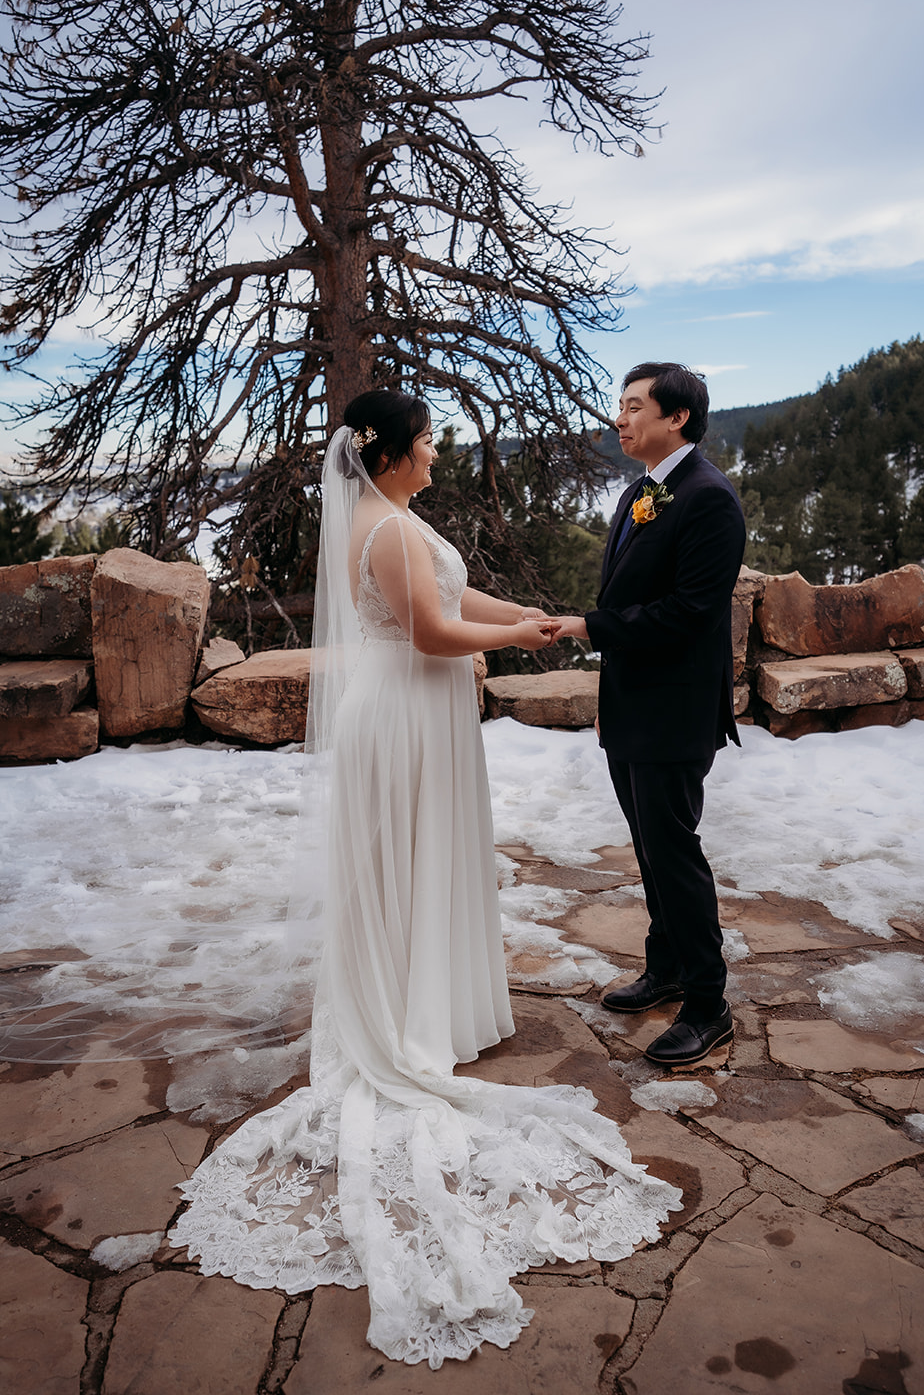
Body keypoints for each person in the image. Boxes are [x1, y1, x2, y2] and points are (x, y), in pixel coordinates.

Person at [170, 389, 680, 1369]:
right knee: (404, 866)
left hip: (415, 713)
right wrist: (513, 641)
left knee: (421, 863)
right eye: (429, 440)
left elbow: (457, 597)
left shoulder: (393, 519)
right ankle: (402, 1020)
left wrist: (522, 613)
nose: (439, 451)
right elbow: (436, 634)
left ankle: (429, 1004)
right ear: (392, 452)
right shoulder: (388, 530)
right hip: (405, 715)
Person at [555, 363, 746, 1067]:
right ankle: (664, 968)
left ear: (677, 419)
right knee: (649, 851)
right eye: (620, 405)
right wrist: (610, 701)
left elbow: (687, 614)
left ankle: (707, 1004)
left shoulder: (708, 498)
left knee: (674, 853)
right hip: (632, 706)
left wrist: (587, 627)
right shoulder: (643, 490)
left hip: (674, 710)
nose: (619, 417)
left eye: (634, 407)